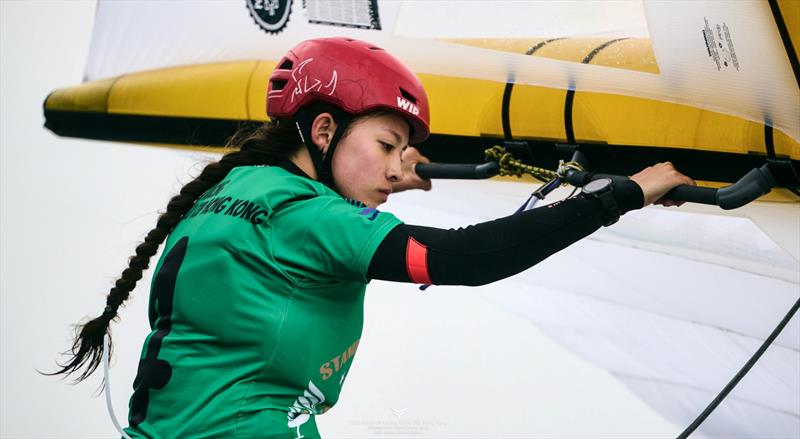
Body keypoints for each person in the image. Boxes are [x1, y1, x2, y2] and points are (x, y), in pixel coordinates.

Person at [50, 37, 695, 438]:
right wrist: (621, 195)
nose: (396, 168)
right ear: (324, 132)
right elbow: (462, 258)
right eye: (387, 145)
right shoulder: (306, 215)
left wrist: (380, 175)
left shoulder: (231, 193)